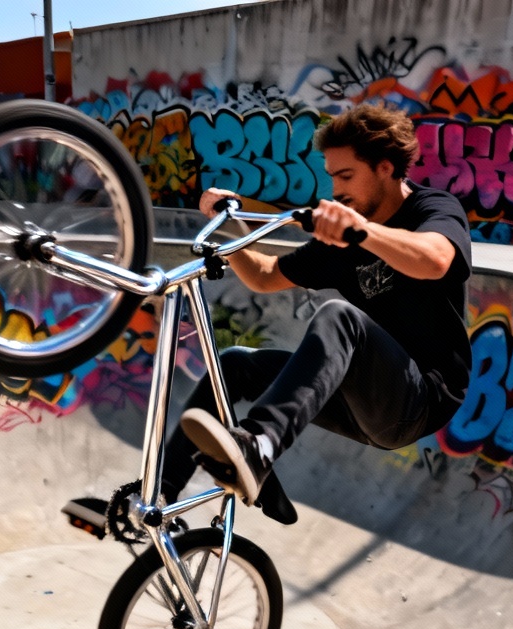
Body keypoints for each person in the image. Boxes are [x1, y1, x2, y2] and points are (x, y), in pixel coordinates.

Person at [64, 101, 472, 537]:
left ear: (386, 168)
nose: (336, 189)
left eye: (346, 176)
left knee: (341, 317)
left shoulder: (433, 209)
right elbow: (264, 276)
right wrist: (228, 227)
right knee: (236, 365)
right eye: (332, 176)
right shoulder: (342, 236)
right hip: (357, 402)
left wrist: (362, 232)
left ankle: (259, 445)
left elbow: (436, 260)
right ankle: (159, 497)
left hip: (419, 399)